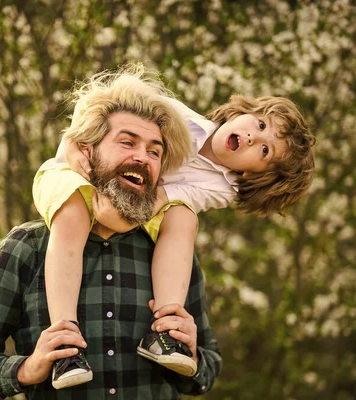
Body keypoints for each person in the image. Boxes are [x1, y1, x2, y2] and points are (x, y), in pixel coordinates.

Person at [0, 64, 223, 399]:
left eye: (154, 151)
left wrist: (192, 354)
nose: (142, 157)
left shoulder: (170, 254)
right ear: (88, 151)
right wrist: (27, 368)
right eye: (127, 142)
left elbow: (207, 368)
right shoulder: (27, 248)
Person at [38, 68, 315, 387]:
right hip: (78, 173)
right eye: (260, 124)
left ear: (256, 175)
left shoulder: (222, 189)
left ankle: (166, 331)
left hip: (135, 200)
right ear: (242, 112)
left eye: (265, 150)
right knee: (72, 213)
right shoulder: (179, 117)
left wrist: (113, 216)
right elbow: (102, 100)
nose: (254, 137)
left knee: (184, 218)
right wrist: (73, 145)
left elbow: (158, 202)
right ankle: (63, 342)